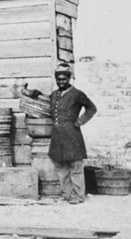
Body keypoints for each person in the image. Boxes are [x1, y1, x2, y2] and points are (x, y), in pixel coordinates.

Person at [48, 62, 97, 204]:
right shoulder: (54, 95)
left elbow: (91, 109)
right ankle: (67, 194)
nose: (61, 82)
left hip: (72, 134)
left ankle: (78, 195)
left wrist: (80, 121)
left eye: (64, 79)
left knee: (75, 166)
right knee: (61, 166)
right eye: (59, 79)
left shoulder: (77, 94)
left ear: (69, 79)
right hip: (57, 135)